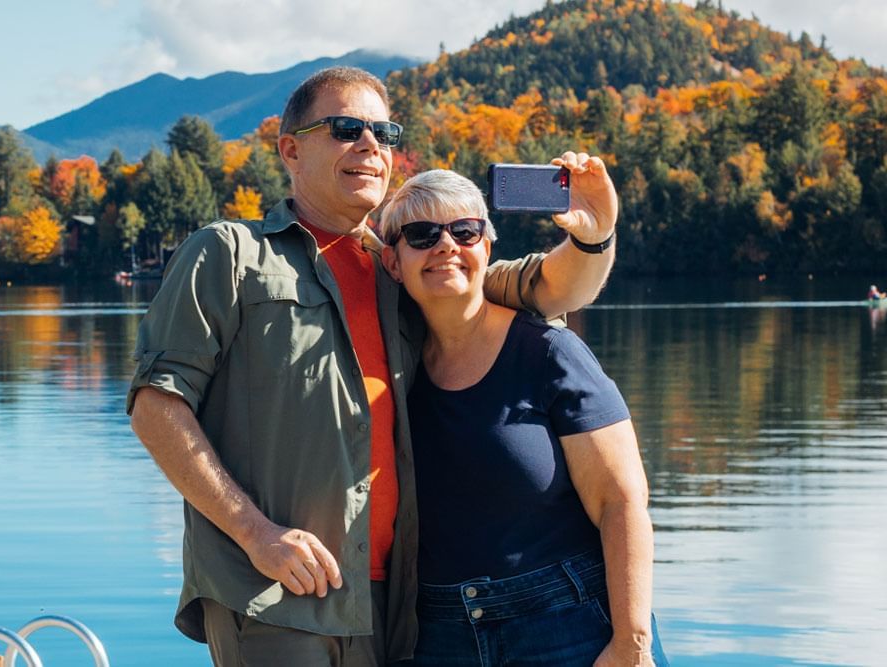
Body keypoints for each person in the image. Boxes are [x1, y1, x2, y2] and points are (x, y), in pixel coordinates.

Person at [127, 66, 618, 666]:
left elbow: (551, 286)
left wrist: (594, 236)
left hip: (392, 604)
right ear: (291, 149)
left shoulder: (407, 264)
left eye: (383, 133)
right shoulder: (230, 254)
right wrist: (255, 532)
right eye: (345, 129)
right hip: (274, 591)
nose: (369, 145)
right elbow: (156, 404)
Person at [375, 169, 667, 666]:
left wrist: (632, 644)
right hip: (441, 637)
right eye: (423, 235)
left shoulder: (548, 352)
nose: (446, 246)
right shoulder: (394, 369)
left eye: (464, 231)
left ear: (486, 246)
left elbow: (622, 502)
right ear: (393, 262)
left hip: (570, 625)